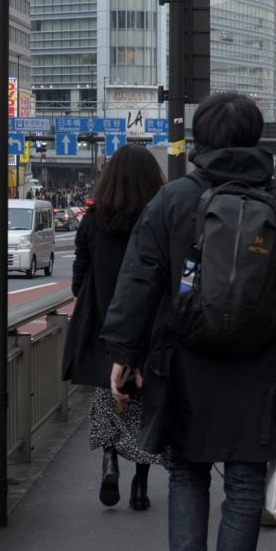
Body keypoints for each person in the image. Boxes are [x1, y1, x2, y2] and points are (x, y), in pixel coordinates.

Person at [100, 93, 276, 551]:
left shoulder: (175, 197)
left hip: (184, 357)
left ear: (202, 138)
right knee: (245, 484)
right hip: (256, 359)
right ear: (255, 137)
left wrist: (123, 352)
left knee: (188, 471)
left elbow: (140, 277)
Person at [62, 143, 167, 511]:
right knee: (145, 401)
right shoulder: (156, 217)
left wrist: (91, 300)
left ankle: (109, 459)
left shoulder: (94, 218)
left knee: (108, 395)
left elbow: (80, 273)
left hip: (103, 324)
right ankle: (141, 484)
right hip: (148, 322)